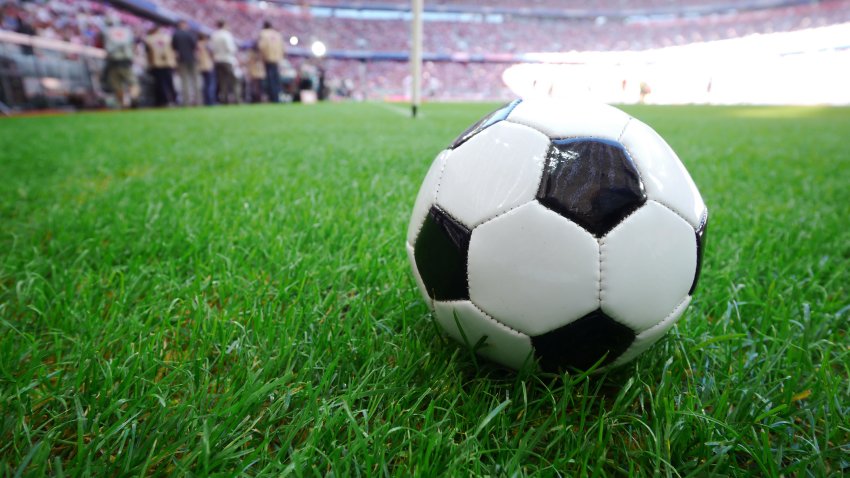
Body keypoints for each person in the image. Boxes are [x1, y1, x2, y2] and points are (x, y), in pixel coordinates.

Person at [103, 16, 136, 108]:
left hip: (114, 60)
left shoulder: (107, 31)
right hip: (126, 60)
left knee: (117, 84)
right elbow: (132, 45)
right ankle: (132, 99)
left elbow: (105, 47)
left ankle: (123, 103)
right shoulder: (127, 31)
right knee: (132, 82)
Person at [145, 25, 177, 106]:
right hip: (168, 63)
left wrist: (150, 64)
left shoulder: (149, 39)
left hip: (156, 64)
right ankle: (173, 100)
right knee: (169, 83)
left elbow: (149, 53)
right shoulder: (167, 38)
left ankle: (162, 101)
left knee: (159, 83)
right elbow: (173, 50)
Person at [171, 20, 199, 106]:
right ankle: (198, 100)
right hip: (191, 59)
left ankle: (186, 102)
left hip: (181, 60)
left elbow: (173, 47)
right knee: (195, 80)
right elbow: (195, 46)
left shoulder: (175, 34)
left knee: (184, 81)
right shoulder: (189, 34)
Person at [210, 20, 237, 104]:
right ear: (224, 25)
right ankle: (236, 98)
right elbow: (231, 48)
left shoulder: (214, 35)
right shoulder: (226, 35)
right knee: (233, 80)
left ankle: (224, 99)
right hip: (227, 59)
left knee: (222, 81)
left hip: (218, 60)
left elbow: (212, 48)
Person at [257, 21, 284, 103]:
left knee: (270, 79)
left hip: (268, 58)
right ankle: (277, 97)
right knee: (276, 79)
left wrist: (261, 57)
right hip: (276, 59)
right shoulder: (277, 34)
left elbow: (261, 46)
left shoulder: (263, 34)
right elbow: (282, 47)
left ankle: (272, 98)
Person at [197, 33, 215, 105]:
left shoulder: (197, 45)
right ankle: (210, 101)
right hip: (208, 65)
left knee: (205, 84)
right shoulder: (206, 45)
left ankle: (206, 100)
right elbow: (212, 54)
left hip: (201, 66)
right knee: (210, 84)